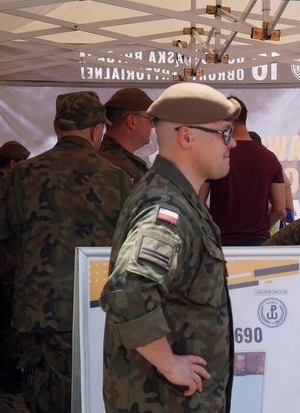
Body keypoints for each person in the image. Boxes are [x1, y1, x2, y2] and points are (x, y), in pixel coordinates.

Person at [101, 82, 239, 412]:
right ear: (187, 136)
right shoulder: (167, 208)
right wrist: (169, 364)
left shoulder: (176, 198)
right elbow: (128, 291)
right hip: (164, 401)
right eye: (224, 132)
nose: (232, 142)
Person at [0, 91, 129, 412]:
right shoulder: (119, 179)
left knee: (43, 398)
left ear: (57, 127)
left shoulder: (20, 176)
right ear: (98, 131)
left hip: (39, 312)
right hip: (97, 310)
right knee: (94, 396)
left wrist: (23, 270)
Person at [200, 97, 285, 246]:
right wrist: (261, 228)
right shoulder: (269, 158)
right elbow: (279, 209)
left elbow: (198, 201)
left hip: (221, 242)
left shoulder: (215, 156)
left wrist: (214, 225)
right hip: (258, 243)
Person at [0, 140, 30, 393]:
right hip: (5, 267)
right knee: (9, 323)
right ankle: (10, 378)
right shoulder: (6, 188)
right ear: (14, 163)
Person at [99, 87, 155, 185]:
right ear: (132, 121)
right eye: (149, 119)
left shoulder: (103, 158)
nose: (153, 125)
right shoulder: (118, 168)